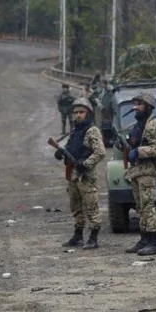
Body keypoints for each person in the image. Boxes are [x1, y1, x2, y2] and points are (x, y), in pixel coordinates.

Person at [55, 97, 106, 249]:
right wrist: (60, 153)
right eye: (76, 112)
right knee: (76, 206)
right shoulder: (75, 131)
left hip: (86, 176)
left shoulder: (92, 131)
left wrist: (85, 164)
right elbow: (71, 149)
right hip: (73, 175)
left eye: (81, 112)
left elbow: (100, 152)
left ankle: (93, 237)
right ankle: (78, 236)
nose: (78, 115)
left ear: (88, 113)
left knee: (91, 207)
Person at [124, 91, 156, 256]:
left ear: (148, 106)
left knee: (148, 206)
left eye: (139, 104)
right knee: (140, 207)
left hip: (148, 171)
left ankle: (154, 243)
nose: (136, 107)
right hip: (136, 171)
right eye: (135, 104)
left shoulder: (154, 124)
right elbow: (133, 143)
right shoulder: (139, 125)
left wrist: (138, 151)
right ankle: (144, 239)